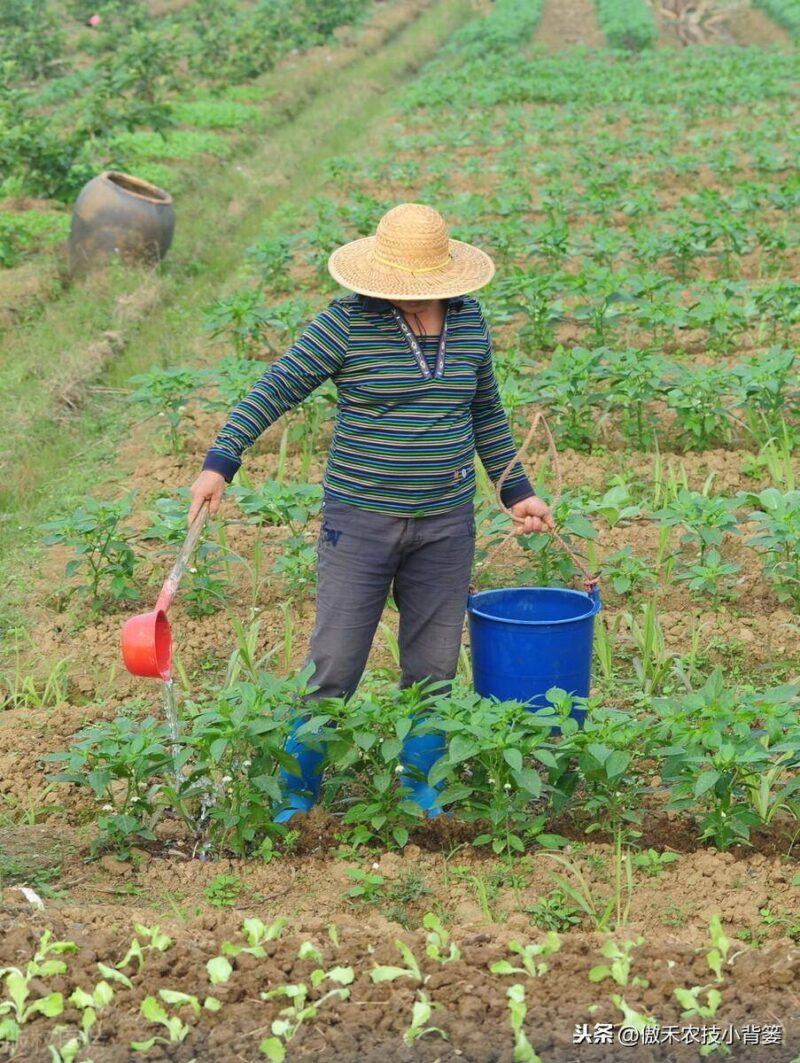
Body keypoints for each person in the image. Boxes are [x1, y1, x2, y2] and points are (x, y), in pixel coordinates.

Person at [189, 202, 554, 821]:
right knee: (334, 662)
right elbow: (275, 388)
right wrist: (221, 459)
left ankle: (422, 789)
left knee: (434, 665)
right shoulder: (347, 324)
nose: (407, 300)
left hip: (446, 524)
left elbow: (485, 413)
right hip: (359, 522)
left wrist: (517, 490)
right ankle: (299, 794)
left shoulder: (470, 323)